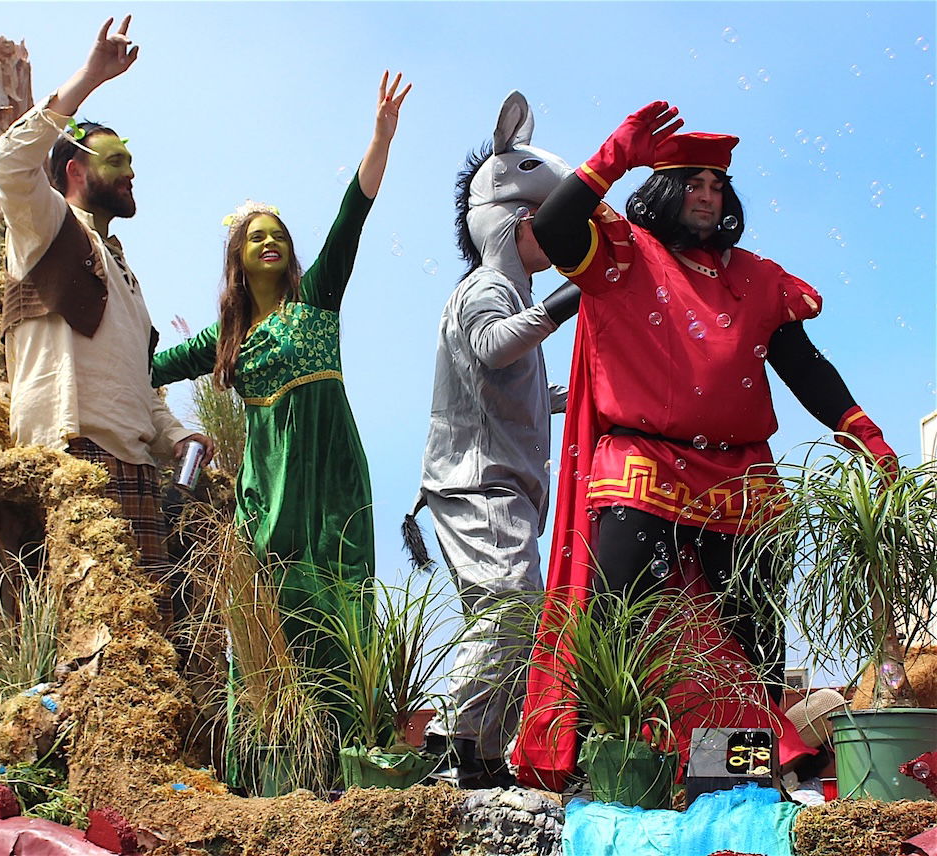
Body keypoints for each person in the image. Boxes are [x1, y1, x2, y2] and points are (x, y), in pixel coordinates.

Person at [512, 101, 898, 789]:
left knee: (755, 640)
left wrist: (862, 431)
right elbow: (552, 229)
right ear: (664, 189)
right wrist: (611, 157)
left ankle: (737, 778)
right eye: (693, 183)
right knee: (619, 622)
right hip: (641, 463)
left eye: (718, 186)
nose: (708, 196)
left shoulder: (756, 278)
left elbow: (804, 365)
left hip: (742, 476)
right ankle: (621, 773)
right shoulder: (622, 252)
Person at [151, 72, 410, 713]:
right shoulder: (226, 339)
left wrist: (380, 138)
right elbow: (148, 368)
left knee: (339, 602)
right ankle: (270, 746)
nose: (270, 241)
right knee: (269, 613)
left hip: (330, 478)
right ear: (237, 258)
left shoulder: (317, 299)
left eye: (279, 234)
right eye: (255, 236)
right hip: (266, 491)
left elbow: (351, 217)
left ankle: (347, 735)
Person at [0, 17, 213, 590]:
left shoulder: (125, 275)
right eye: (116, 160)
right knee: (90, 622)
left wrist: (177, 437)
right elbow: (10, 164)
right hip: (72, 452)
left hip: (137, 469)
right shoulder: (46, 226)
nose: (131, 172)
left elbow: (140, 383)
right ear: (74, 170)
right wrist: (89, 79)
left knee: (147, 628)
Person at [404, 91, 579, 789]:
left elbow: (523, 386)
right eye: (545, 224)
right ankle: (451, 739)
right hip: (478, 481)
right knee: (513, 605)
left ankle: (480, 751)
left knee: (509, 614)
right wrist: (568, 301)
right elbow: (493, 346)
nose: (558, 239)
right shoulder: (487, 291)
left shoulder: (513, 294)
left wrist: (576, 396)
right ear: (510, 223)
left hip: (500, 484)